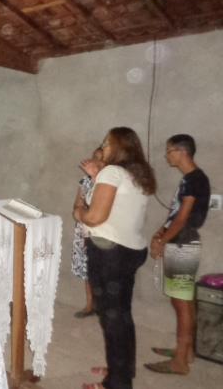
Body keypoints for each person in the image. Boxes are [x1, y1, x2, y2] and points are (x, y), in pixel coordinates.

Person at [73, 127, 156, 389]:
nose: (103, 147)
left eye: (107, 144)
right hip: (129, 250)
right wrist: (96, 176)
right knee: (121, 315)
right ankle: (121, 370)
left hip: (109, 252)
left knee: (111, 318)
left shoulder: (112, 172)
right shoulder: (136, 175)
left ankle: (117, 382)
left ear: (119, 147)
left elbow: (95, 217)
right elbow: (119, 206)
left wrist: (79, 214)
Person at [145, 134, 210, 375]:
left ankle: (180, 362)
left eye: (169, 150)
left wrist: (162, 240)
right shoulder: (189, 179)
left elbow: (182, 219)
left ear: (182, 151)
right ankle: (187, 351)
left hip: (183, 244)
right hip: (180, 241)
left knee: (181, 303)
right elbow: (174, 215)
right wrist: (160, 232)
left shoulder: (195, 179)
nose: (166, 155)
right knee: (181, 300)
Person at [71, 147, 104, 318]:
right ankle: (90, 304)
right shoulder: (85, 181)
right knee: (88, 268)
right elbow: (77, 205)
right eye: (94, 157)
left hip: (104, 231)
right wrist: (84, 214)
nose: (96, 161)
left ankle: (105, 306)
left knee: (104, 269)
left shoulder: (108, 181)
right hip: (85, 227)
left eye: (101, 158)